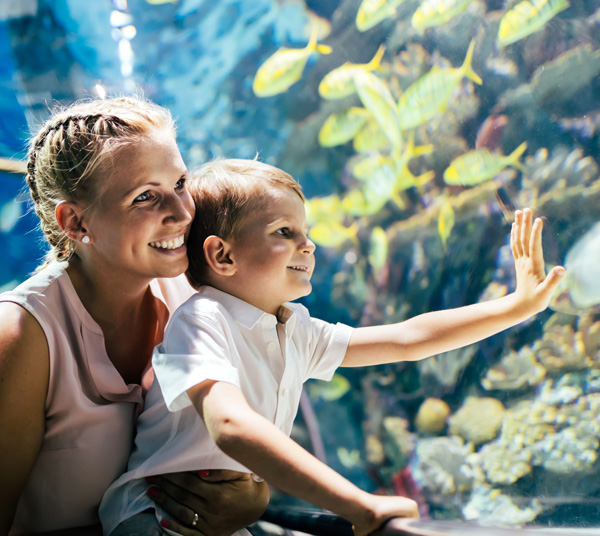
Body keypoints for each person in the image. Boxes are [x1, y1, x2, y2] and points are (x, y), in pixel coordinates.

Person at [100, 158, 566, 536]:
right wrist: (357, 505)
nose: (309, 245)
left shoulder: (294, 328)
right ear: (222, 255)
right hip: (152, 520)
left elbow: (406, 339)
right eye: (285, 232)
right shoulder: (202, 319)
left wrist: (515, 308)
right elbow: (229, 425)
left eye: (306, 231)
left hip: (211, 522)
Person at [0, 99, 269, 536]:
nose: (183, 213)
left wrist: (253, 496)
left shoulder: (199, 293)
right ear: (75, 221)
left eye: (180, 182)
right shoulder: (23, 334)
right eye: (144, 196)